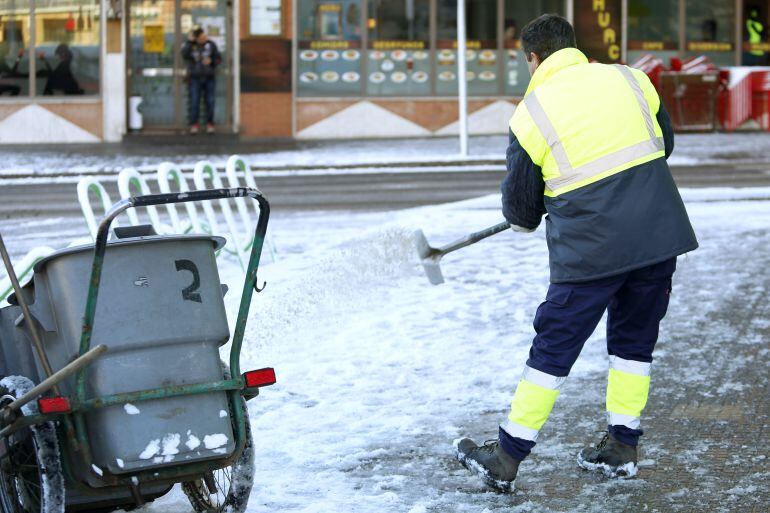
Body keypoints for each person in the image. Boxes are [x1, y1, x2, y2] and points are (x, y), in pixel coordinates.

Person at [454, 14, 698, 492]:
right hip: (656, 236)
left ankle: (506, 455)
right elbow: (660, 144)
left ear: (533, 57)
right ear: (574, 47)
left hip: (591, 251)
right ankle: (623, 446)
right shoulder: (631, 78)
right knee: (633, 344)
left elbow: (521, 209)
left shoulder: (532, 112)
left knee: (554, 347)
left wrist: (550, 201)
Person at [181, 26, 221, 134]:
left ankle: (210, 124)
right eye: (200, 36)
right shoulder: (191, 46)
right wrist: (189, 42)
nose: (203, 38)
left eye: (203, 35)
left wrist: (211, 61)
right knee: (194, 101)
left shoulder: (211, 45)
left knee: (210, 101)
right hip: (195, 78)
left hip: (209, 78)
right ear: (196, 37)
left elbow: (218, 59)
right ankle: (194, 124)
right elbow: (184, 54)